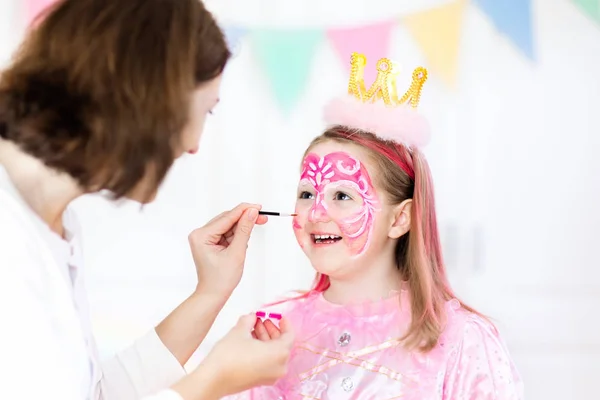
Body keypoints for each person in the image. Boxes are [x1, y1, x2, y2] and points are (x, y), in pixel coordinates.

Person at [0, 1, 294, 399]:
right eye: (204, 112)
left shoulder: (58, 224)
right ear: (150, 99)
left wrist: (211, 292)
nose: (193, 146)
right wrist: (213, 381)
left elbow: (90, 392)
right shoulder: (11, 241)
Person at [225, 53, 524, 399]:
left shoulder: (460, 339)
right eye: (307, 193)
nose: (316, 211)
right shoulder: (273, 331)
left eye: (342, 196)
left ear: (399, 218)